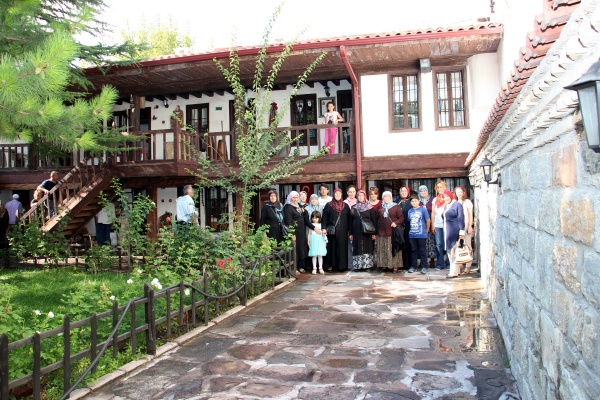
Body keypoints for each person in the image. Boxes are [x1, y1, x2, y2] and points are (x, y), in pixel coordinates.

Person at [283, 191, 320, 273]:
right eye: (294, 197)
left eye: (297, 197)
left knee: (301, 250)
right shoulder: (288, 207)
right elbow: (288, 222)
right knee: (295, 250)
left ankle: (300, 266)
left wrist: (314, 227)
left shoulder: (299, 206)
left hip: (301, 232)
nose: (295, 199)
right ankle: (294, 268)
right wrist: (292, 234)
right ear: (290, 198)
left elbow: (306, 220)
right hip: (295, 232)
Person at [322, 188, 351, 272]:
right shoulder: (328, 205)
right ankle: (330, 265)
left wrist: (350, 231)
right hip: (332, 231)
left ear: (341, 195)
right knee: (332, 248)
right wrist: (324, 228)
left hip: (343, 231)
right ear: (333, 194)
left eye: (339, 193)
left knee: (342, 248)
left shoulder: (345, 206)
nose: (337, 195)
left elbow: (349, 219)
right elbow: (324, 218)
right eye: (336, 193)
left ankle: (341, 266)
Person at [376, 191, 404, 272]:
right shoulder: (380, 207)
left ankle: (395, 266)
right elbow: (377, 218)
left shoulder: (396, 207)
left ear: (391, 197)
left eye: (388, 196)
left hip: (392, 232)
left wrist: (396, 223)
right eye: (385, 196)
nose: (387, 198)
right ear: (383, 198)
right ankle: (384, 265)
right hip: (381, 232)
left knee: (392, 249)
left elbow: (401, 218)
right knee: (383, 249)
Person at [349, 189, 377, 271]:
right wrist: (351, 233)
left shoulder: (370, 207)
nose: (361, 197)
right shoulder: (353, 207)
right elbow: (350, 221)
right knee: (357, 247)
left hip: (367, 231)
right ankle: (358, 266)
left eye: (362, 195)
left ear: (365, 196)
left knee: (367, 247)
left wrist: (374, 233)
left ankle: (367, 266)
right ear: (357, 197)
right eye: (359, 195)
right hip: (356, 231)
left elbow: (374, 220)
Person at [442, 190, 465, 278]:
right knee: (450, 251)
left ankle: (453, 272)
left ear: (451, 196)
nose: (446, 198)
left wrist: (461, 232)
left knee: (453, 251)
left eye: (447, 196)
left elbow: (460, 218)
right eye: (444, 197)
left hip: (454, 230)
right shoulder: (447, 206)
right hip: (447, 230)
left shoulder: (457, 205)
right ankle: (455, 271)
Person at [407, 194, 431, 274]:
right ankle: (413, 266)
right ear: (410, 203)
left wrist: (427, 229)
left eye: (415, 201)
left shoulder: (423, 210)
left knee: (422, 250)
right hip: (412, 234)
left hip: (421, 234)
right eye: (412, 201)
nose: (414, 202)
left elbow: (428, 220)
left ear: (419, 201)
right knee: (413, 250)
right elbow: (409, 221)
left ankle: (424, 266)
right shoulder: (410, 211)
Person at [455, 186, 474, 274]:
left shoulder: (467, 202)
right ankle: (460, 264)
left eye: (460, 192)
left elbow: (470, 215)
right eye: (457, 192)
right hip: (457, 228)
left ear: (463, 193)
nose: (459, 194)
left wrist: (470, 226)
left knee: (468, 246)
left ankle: (468, 266)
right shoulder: (455, 202)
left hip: (466, 227)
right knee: (459, 247)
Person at [430, 181, 447, 270]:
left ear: (444, 187)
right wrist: (433, 225)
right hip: (437, 224)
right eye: (438, 187)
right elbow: (433, 213)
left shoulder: (448, 198)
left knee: (447, 244)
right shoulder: (434, 200)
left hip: (447, 225)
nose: (440, 189)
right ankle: (440, 264)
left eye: (441, 187)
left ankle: (449, 263)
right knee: (439, 245)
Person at [308, 210, 327, 275]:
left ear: (319, 218)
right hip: (313, 241)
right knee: (314, 255)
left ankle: (320, 268)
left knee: (320, 255)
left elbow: (324, 234)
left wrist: (325, 242)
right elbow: (309, 233)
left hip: (320, 241)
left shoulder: (321, 225)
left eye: (316, 218)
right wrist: (308, 241)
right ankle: (314, 268)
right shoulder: (311, 225)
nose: (314, 219)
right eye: (313, 218)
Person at [398, 186, 412, 270]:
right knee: (400, 245)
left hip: (409, 226)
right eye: (401, 191)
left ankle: (409, 264)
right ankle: (401, 263)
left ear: (408, 192)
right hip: (399, 227)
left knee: (409, 245)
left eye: (405, 191)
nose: (403, 192)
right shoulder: (397, 202)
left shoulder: (411, 202)